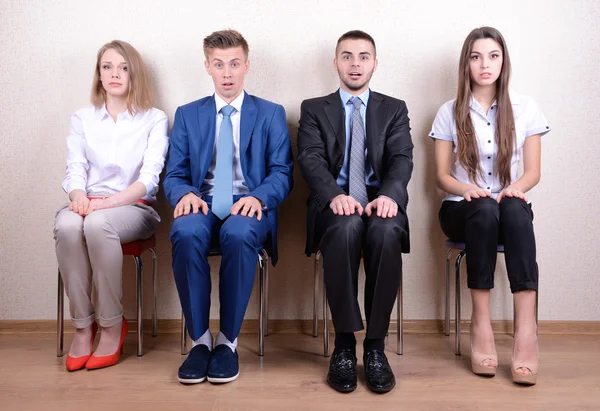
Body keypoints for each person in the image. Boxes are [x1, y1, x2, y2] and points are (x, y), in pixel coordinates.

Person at [164, 29, 293, 385]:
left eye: (234, 64)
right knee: (185, 231)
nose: (227, 73)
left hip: (249, 204)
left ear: (246, 66)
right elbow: (173, 173)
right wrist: (184, 194)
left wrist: (258, 197)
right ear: (207, 67)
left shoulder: (269, 113)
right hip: (202, 201)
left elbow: (282, 172)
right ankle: (201, 340)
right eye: (219, 64)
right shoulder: (188, 115)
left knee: (238, 234)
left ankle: (228, 342)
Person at [430, 26, 551, 385]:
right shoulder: (449, 111)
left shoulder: (526, 107)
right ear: (466, 63)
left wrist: (512, 190)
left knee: (512, 208)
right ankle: (480, 321)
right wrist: (468, 188)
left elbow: (533, 172)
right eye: (476, 56)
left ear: (504, 61)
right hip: (461, 209)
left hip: (508, 206)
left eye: (493, 56)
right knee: (483, 209)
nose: (485, 64)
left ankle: (526, 327)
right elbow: (441, 176)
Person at [297, 30, 413, 394]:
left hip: (381, 202)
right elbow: (311, 160)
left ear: (375, 63)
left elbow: (401, 159)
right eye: (346, 56)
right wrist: (335, 194)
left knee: (385, 231)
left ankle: (375, 347)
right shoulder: (314, 108)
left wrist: (391, 195)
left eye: (363, 56)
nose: (355, 63)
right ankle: (345, 346)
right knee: (346, 227)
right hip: (334, 207)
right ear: (336, 63)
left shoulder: (394, 108)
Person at [54, 40, 169, 371]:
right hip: (86, 203)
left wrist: (104, 205)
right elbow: (74, 168)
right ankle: (82, 326)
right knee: (66, 224)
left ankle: (111, 325)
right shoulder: (82, 118)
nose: (115, 73)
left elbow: (148, 180)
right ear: (98, 74)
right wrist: (78, 197)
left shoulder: (154, 119)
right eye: (107, 66)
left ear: (134, 74)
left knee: (95, 223)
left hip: (134, 208)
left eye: (123, 67)